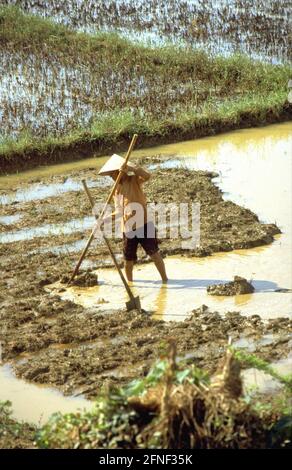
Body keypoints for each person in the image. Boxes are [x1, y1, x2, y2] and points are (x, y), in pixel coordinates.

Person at [98, 154, 168, 283]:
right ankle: (130, 284)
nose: (113, 178)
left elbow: (147, 176)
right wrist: (105, 219)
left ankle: (165, 280)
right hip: (128, 228)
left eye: (114, 174)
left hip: (144, 224)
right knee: (128, 260)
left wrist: (132, 168)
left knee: (154, 254)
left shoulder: (134, 179)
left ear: (121, 171)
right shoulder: (116, 190)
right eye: (111, 176)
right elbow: (119, 211)